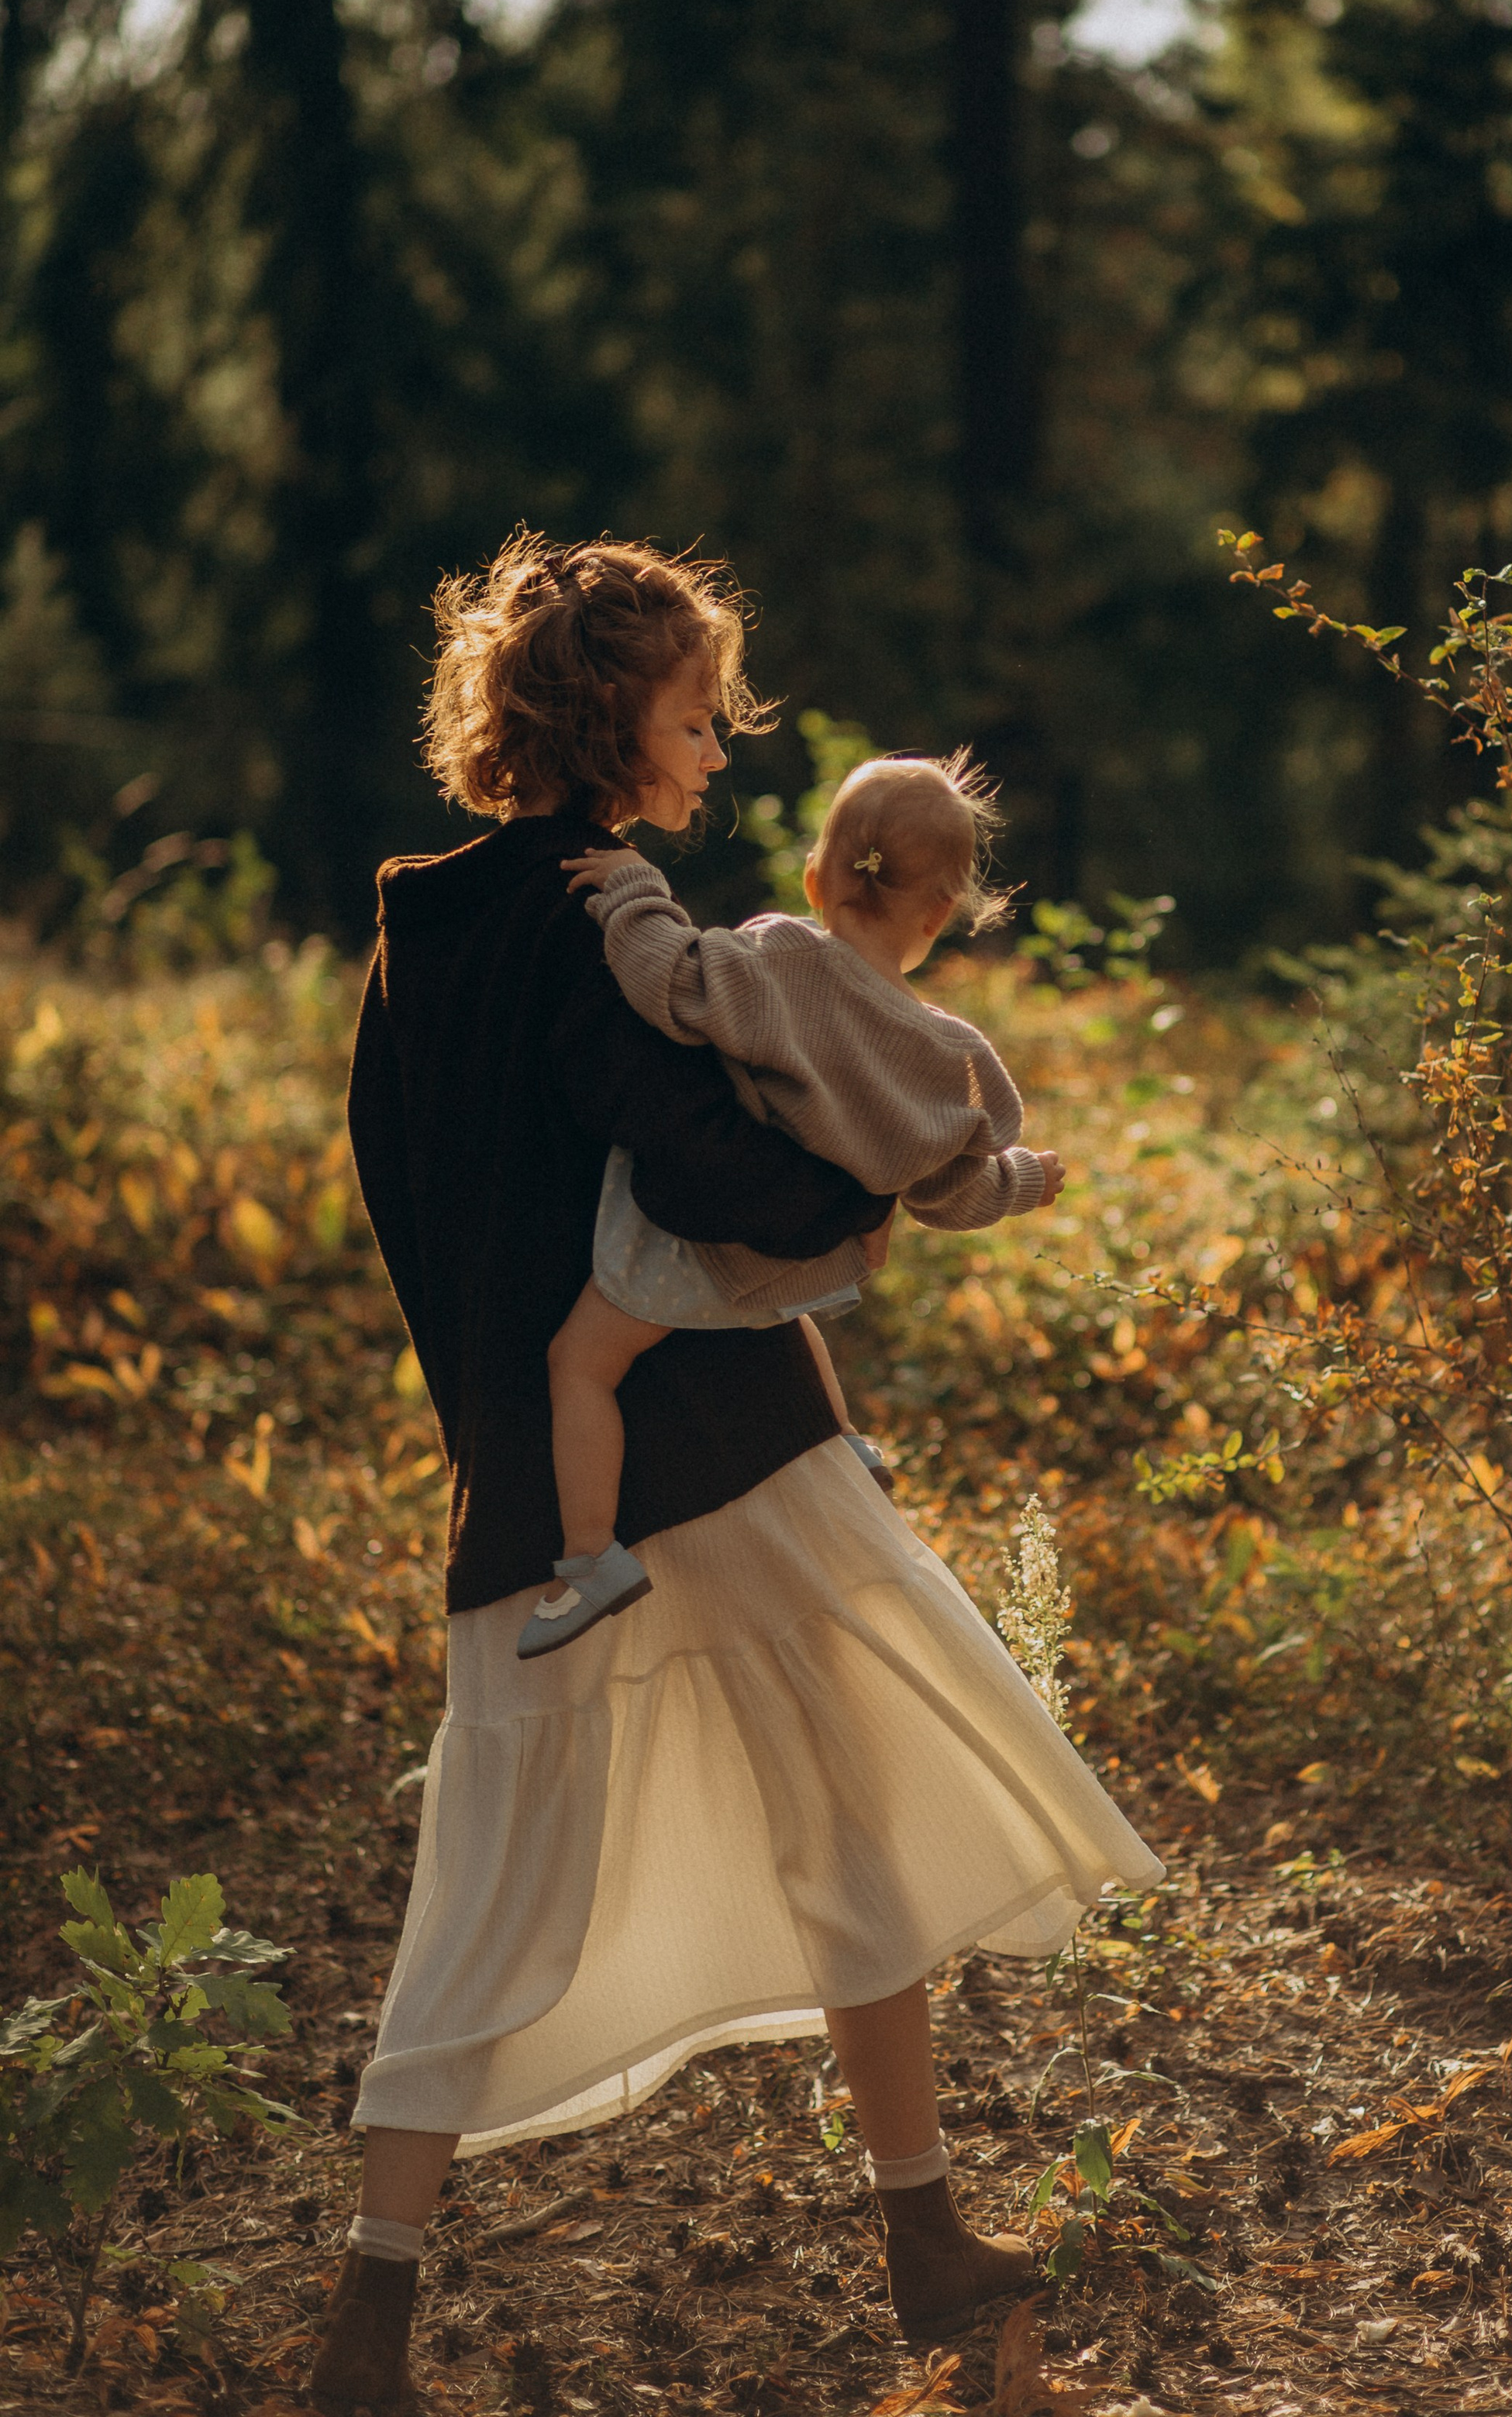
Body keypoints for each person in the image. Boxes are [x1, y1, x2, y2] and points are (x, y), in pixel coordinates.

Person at [310, 529, 1162, 2416]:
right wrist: (887, 1193)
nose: (717, 748)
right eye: (698, 714)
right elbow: (697, 1163)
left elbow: (417, 1215)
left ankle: (371, 2315)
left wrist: (506, 1440)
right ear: (613, 716)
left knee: (489, 1875)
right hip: (723, 1441)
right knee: (851, 1809)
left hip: (550, 1471)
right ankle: (920, 2227)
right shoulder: (592, 912)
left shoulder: (418, 942)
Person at [525, 750, 1066, 1659]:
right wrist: (1025, 1180)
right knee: (786, 1311)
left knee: (579, 1364)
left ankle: (590, 1556)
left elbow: (670, 979)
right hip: (805, 1264)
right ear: (938, 914)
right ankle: (845, 1441)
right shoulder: (944, 1054)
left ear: (818, 876)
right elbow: (952, 1193)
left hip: (701, 1236)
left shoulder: (779, 959)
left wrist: (632, 887)